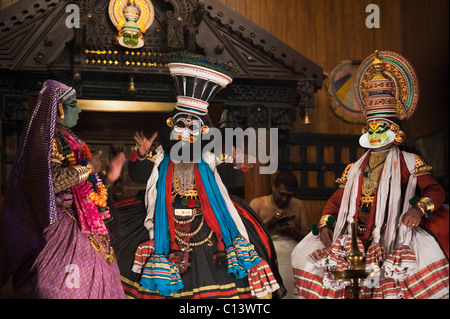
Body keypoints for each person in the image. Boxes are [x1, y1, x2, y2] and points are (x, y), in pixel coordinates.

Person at [115, 51, 281, 299]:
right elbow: (140, 176)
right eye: (180, 125)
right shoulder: (161, 154)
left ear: (203, 130)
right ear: (172, 126)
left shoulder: (212, 156)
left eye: (191, 127)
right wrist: (140, 155)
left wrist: (238, 165)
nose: (184, 132)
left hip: (207, 220)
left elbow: (232, 181)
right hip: (164, 218)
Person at [291, 51, 449, 299]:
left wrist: (418, 210)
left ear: (395, 131)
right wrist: (325, 223)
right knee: (303, 256)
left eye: (381, 128)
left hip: (392, 235)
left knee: (417, 269)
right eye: (371, 128)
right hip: (353, 237)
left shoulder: (409, 161)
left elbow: (435, 191)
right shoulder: (354, 168)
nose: (375, 133)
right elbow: (335, 202)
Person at [0, 80, 126, 298]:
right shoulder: (46, 140)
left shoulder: (68, 137)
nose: (79, 109)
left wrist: (106, 177)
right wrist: (88, 169)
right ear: (57, 108)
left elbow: (83, 187)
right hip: (61, 225)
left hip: (81, 222)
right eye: (73, 104)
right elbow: (52, 181)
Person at [250, 171, 310, 298]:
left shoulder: (298, 205)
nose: (284, 199)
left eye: (289, 195)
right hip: (265, 254)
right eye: (281, 194)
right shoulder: (258, 204)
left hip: (292, 254)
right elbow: (249, 234)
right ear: (274, 187)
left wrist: (293, 231)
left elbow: (307, 239)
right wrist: (270, 221)